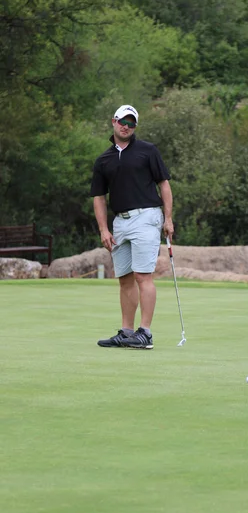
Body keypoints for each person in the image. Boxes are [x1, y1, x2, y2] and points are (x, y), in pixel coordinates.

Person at [91, 104, 174, 349]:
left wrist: (168, 219)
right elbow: (98, 197)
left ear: (135, 126)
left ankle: (145, 333)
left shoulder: (147, 151)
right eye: (122, 122)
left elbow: (164, 185)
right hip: (120, 223)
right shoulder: (103, 160)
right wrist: (103, 229)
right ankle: (127, 333)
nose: (126, 126)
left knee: (142, 275)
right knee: (125, 278)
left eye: (131, 123)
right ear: (113, 122)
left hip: (147, 217)